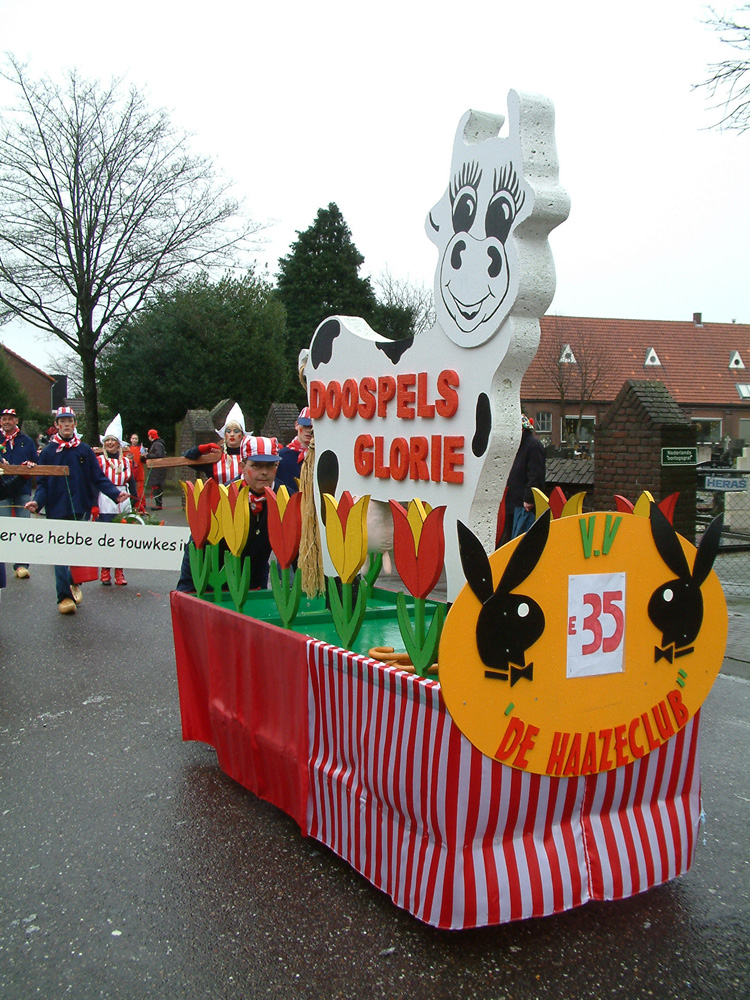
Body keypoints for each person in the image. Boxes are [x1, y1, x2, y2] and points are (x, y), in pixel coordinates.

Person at [26, 407, 129, 614]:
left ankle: (74, 581)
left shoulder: (84, 450)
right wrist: (37, 502)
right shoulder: (48, 452)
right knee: (59, 554)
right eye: (62, 421)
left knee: (77, 551)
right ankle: (64, 596)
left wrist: (114, 493)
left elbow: (97, 477)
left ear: (74, 424)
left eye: (69, 421)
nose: (66, 425)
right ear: (56, 425)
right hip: (56, 508)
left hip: (80, 506)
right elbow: (43, 483)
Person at [175, 435, 280, 593]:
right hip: (216, 587)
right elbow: (196, 546)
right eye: (256, 466)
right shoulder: (220, 498)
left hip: (254, 588)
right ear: (242, 466)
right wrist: (186, 590)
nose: (264, 472)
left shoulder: (284, 498)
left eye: (270, 466)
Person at [96, 416, 137, 586]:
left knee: (123, 537)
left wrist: (136, 502)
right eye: (107, 440)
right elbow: (94, 482)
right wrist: (93, 505)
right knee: (108, 537)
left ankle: (119, 571)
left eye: (113, 440)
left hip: (124, 499)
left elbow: (132, 482)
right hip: (105, 500)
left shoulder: (127, 462)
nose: (110, 443)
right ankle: (105, 571)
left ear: (119, 444)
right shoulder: (99, 461)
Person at [0, 407, 38, 579]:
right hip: (2, 490)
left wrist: (30, 465)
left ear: (16, 421)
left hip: (22, 488)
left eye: (10, 418)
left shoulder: (27, 441)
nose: (7, 421)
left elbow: (36, 462)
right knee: (4, 526)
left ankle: (21, 564)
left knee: (23, 527)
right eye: (4, 419)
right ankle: (2, 561)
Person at [500, 414, 546, 544]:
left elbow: (536, 474)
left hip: (523, 505)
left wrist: (530, 499)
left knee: (520, 541)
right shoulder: (516, 446)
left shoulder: (533, 446)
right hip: (512, 503)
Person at [182, 403, 249, 486]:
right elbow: (186, 458)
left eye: (236, 431)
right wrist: (203, 448)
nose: (232, 434)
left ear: (242, 435)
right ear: (225, 435)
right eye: (228, 431)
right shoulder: (215, 458)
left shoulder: (249, 457)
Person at [276, 406, 312, 494]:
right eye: (305, 426)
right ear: (296, 425)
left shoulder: (321, 456)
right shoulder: (281, 456)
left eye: (312, 427)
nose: (309, 430)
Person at [126, 432, 147, 513]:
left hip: (139, 470)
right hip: (130, 470)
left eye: (136, 438)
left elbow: (144, 461)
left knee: (140, 488)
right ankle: (133, 503)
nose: (134, 440)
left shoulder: (141, 449)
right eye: (133, 438)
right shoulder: (127, 449)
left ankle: (142, 503)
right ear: (130, 440)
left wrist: (144, 456)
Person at [146, 429, 167, 510]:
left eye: (149, 436)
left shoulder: (157, 444)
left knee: (156, 485)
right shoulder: (157, 443)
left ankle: (158, 504)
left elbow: (159, 455)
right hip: (157, 469)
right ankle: (158, 504)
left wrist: (148, 455)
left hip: (158, 469)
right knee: (156, 485)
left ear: (151, 436)